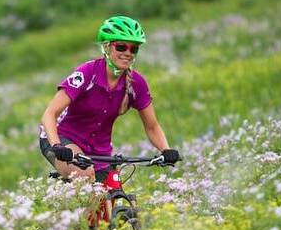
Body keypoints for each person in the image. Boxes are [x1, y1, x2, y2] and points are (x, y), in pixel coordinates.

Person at [39, 14, 180, 188]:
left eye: (133, 49)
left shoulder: (136, 83)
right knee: (85, 175)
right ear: (106, 47)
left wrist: (166, 150)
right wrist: (57, 145)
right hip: (62, 137)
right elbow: (49, 114)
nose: (127, 53)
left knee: (109, 195)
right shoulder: (87, 73)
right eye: (121, 47)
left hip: (99, 150)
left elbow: (152, 126)